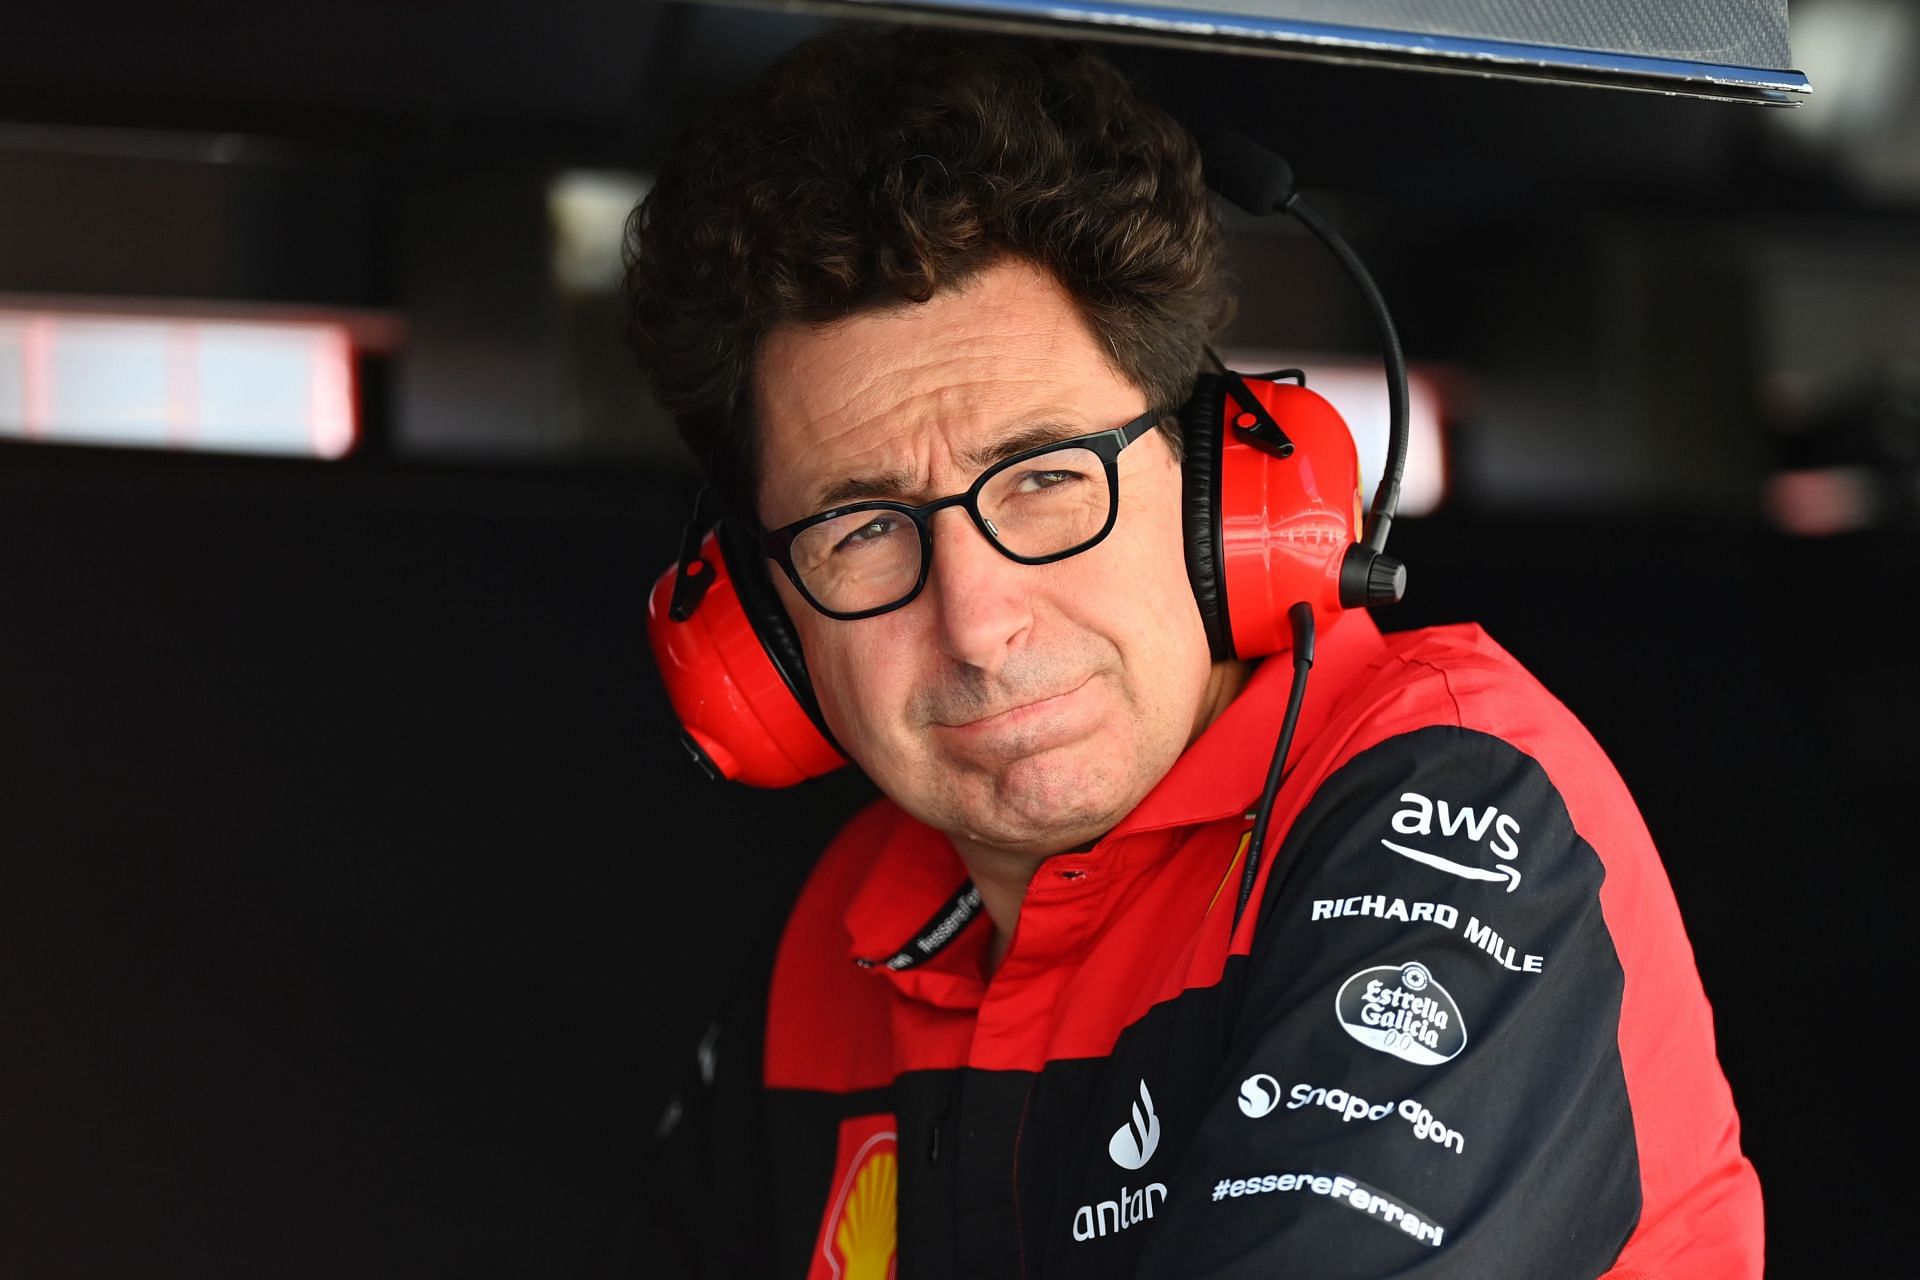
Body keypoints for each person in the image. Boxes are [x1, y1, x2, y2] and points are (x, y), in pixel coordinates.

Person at [619, 25, 1762, 1279]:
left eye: (1048, 478)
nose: (979, 622)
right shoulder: (834, 945)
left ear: (1223, 488)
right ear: (763, 620)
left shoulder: (1451, 807)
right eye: (863, 528)